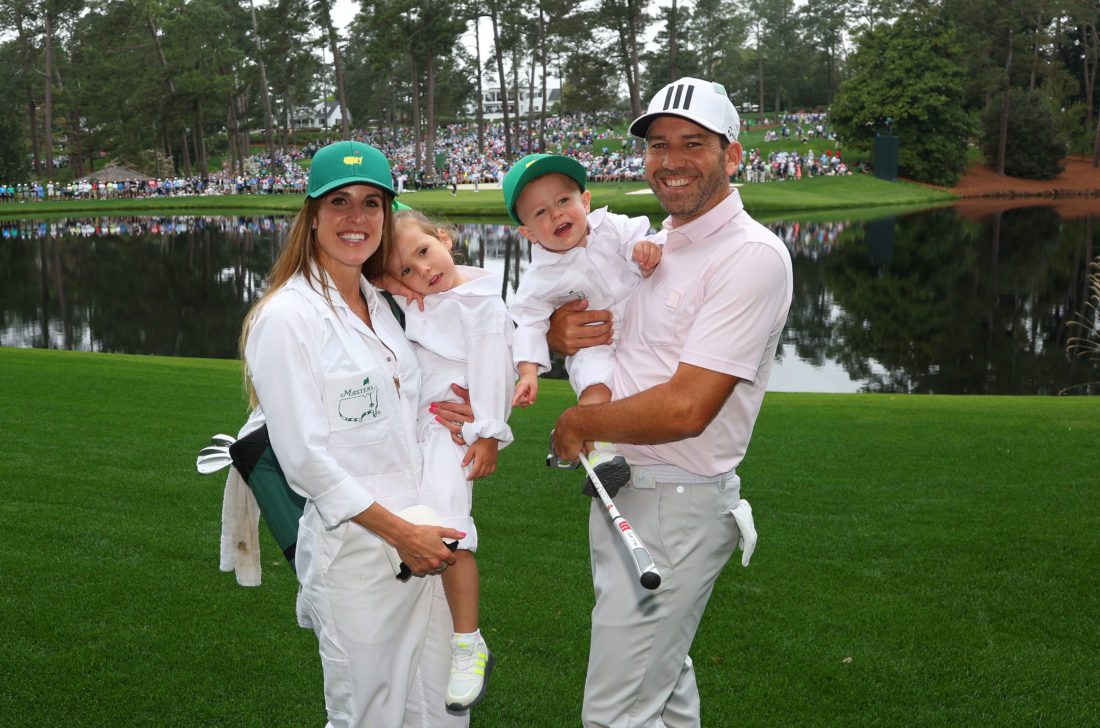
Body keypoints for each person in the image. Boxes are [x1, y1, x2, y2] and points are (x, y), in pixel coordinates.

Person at [548, 77, 794, 727]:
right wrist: (560, 336)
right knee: (665, 692)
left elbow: (688, 407)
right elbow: (613, 346)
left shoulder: (750, 257)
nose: (671, 160)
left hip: (676, 501)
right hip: (631, 492)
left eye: (693, 143)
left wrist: (578, 421)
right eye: (658, 145)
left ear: (732, 155)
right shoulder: (658, 245)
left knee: (615, 714)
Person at [238, 140, 471, 728]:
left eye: (372, 202)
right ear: (312, 213)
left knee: (442, 709)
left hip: (428, 536)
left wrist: (459, 409)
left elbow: (460, 346)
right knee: (371, 715)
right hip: (360, 555)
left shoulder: (389, 303)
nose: (356, 218)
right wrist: (401, 535)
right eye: (339, 202)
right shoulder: (288, 318)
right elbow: (304, 462)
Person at [379, 208, 515, 712]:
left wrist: (487, 434)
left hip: (448, 433)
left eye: (423, 252)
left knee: (448, 530)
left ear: (443, 237)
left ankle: (468, 642)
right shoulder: (422, 297)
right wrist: (396, 283)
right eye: (406, 271)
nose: (423, 272)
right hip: (411, 427)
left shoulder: (480, 305)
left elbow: (492, 371)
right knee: (412, 519)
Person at [502, 153, 663, 493]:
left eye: (563, 200)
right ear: (528, 232)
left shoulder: (612, 227)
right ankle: (601, 456)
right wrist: (528, 372)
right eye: (541, 212)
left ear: (585, 201)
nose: (557, 213)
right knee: (594, 384)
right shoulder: (539, 276)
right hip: (594, 343)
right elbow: (528, 324)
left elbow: (640, 238)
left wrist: (645, 249)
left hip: (641, 322)